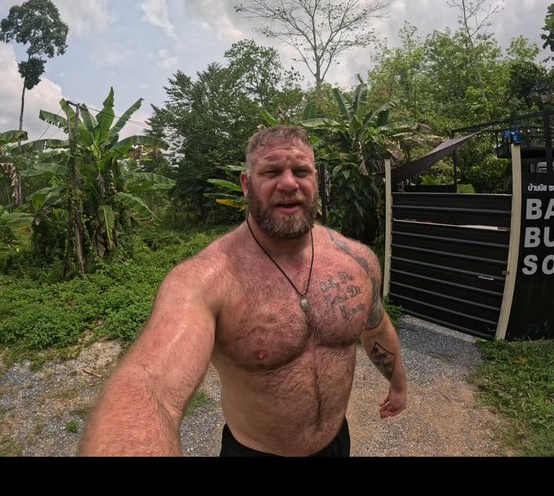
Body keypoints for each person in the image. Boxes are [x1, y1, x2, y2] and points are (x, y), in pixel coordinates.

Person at [80, 125, 407, 457]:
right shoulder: (208, 279)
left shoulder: (356, 261)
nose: (289, 183)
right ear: (246, 184)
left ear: (315, 180)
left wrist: (397, 384)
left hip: (335, 443)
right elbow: (151, 386)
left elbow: (376, 327)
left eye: (301, 171)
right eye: (271, 172)